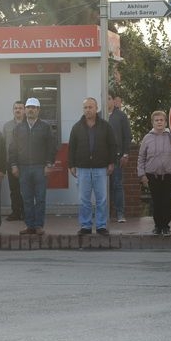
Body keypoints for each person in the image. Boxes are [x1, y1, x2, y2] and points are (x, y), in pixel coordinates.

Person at [9, 97, 58, 235]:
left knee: (40, 198)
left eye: (34, 107)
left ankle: (38, 225)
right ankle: (29, 225)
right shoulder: (18, 128)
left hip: (40, 168)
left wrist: (49, 164)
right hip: (23, 168)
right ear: (25, 110)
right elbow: (12, 149)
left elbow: (51, 147)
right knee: (27, 198)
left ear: (38, 110)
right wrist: (13, 165)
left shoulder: (45, 127)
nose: (31, 110)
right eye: (29, 107)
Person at [70, 97, 117, 235]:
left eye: (91, 107)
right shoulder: (77, 127)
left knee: (101, 199)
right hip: (82, 168)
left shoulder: (105, 126)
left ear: (96, 109)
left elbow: (112, 145)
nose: (88, 110)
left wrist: (111, 162)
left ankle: (101, 225)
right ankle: (86, 226)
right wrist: (71, 165)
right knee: (84, 200)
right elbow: (72, 148)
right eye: (85, 107)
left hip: (100, 168)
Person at [137, 110, 171, 235]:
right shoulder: (147, 138)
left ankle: (166, 226)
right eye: (156, 120)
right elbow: (141, 157)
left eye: (161, 120)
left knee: (166, 201)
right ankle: (157, 226)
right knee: (156, 201)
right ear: (152, 122)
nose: (159, 122)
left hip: (169, 175)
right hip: (152, 175)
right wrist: (142, 175)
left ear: (165, 122)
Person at [107, 92, 131, 222]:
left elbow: (127, 136)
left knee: (117, 185)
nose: (107, 101)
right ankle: (107, 214)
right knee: (104, 187)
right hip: (102, 159)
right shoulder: (99, 116)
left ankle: (120, 214)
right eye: (104, 98)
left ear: (113, 100)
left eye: (109, 98)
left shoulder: (121, 116)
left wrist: (126, 154)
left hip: (117, 158)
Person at [2, 100, 25, 221]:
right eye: (16, 108)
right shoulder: (7, 126)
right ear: (13, 110)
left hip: (26, 163)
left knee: (26, 189)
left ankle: (27, 213)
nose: (18, 110)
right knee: (14, 189)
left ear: (24, 110)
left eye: (20, 108)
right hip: (11, 163)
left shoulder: (29, 124)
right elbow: (3, 145)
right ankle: (16, 212)